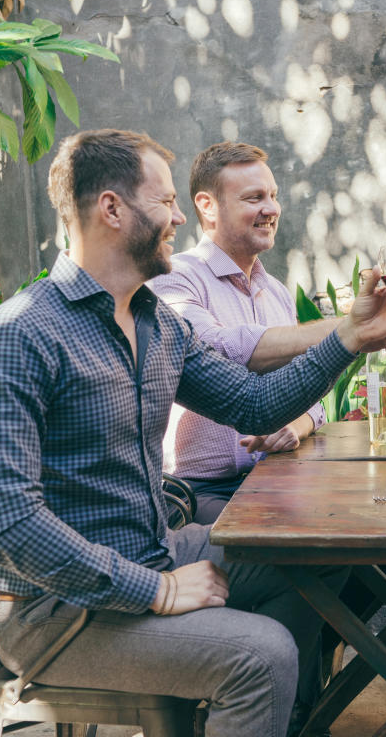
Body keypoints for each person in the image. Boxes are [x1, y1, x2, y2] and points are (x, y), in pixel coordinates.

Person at [0, 129, 386, 737]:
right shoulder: (16, 336)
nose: (177, 217)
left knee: (321, 556)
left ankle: (284, 720)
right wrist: (156, 590)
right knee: (262, 656)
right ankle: (260, 700)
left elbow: (254, 405)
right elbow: (5, 522)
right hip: (56, 612)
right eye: (165, 202)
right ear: (111, 209)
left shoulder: (157, 326)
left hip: (156, 548)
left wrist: (350, 338)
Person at [149, 141, 367, 525]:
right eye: (254, 198)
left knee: (366, 517)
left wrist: (295, 425)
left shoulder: (277, 292)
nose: (271, 209)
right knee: (318, 541)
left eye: (273, 196)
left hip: (278, 475)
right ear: (207, 206)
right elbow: (216, 351)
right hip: (201, 490)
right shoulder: (174, 279)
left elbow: (312, 397)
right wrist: (350, 329)